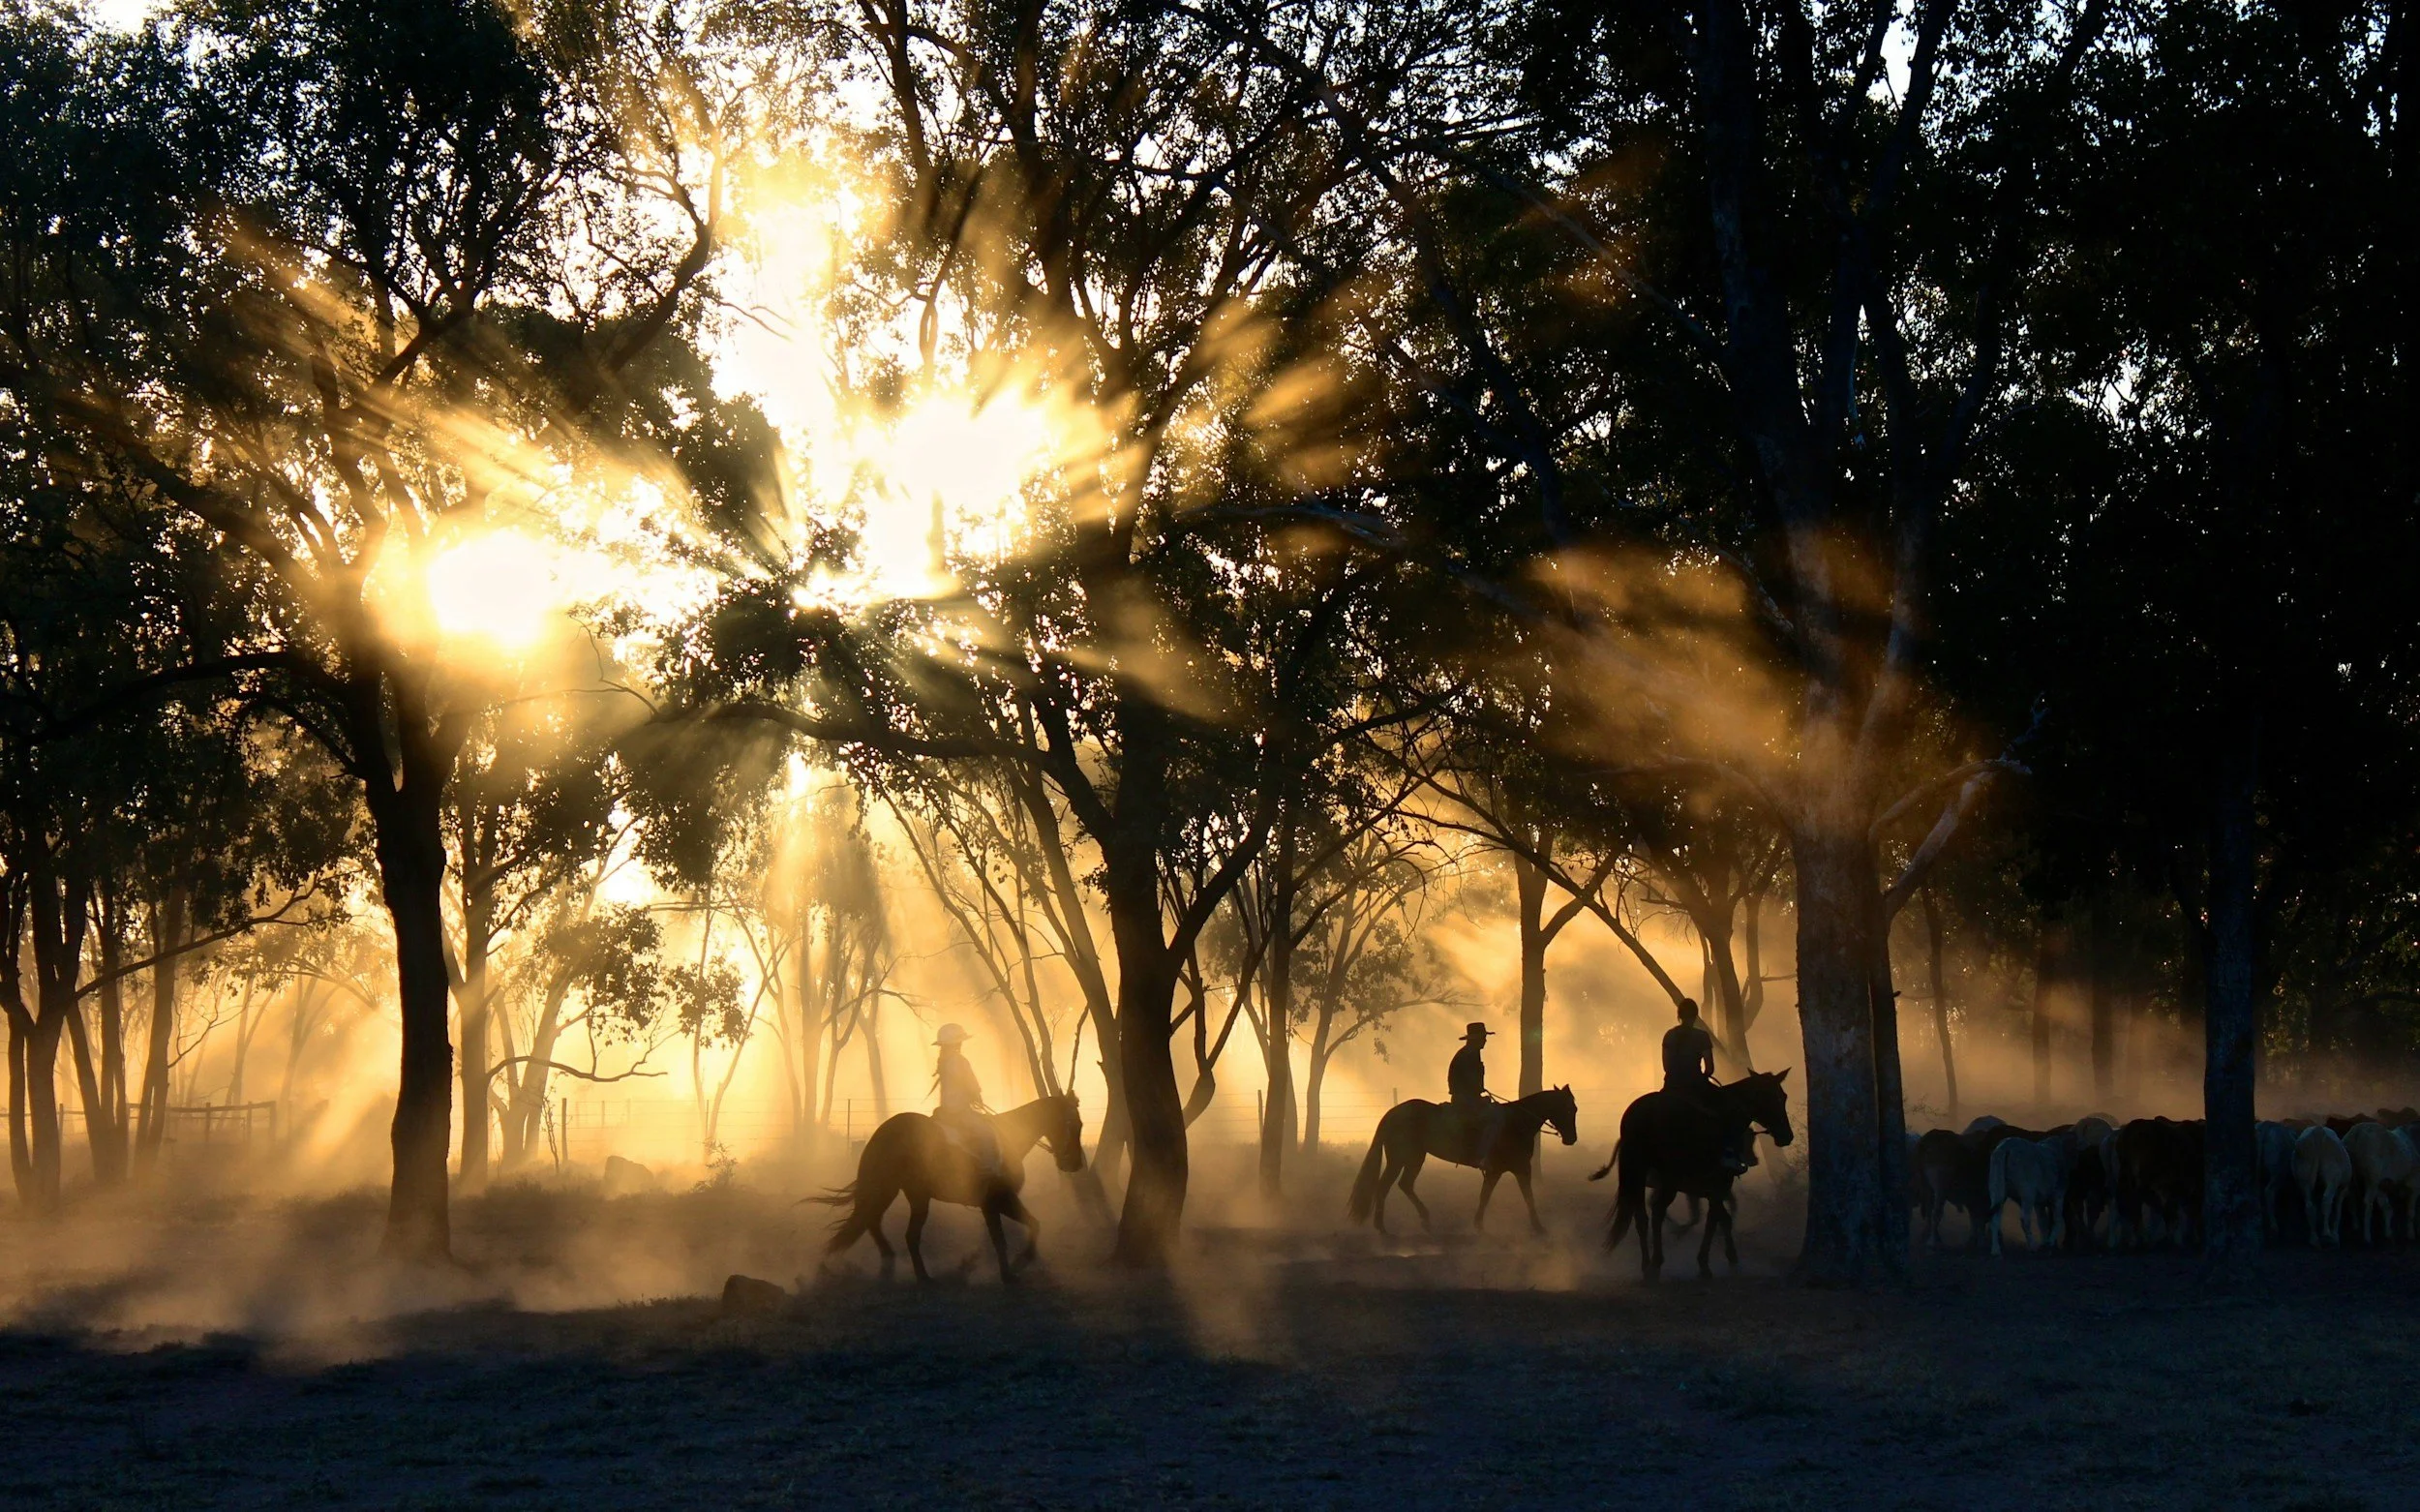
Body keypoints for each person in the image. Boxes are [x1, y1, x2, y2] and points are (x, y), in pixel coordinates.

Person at [1662, 998, 1748, 1172]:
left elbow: (1666, 1066)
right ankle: (1729, 1155)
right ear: (1695, 1016)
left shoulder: (1669, 1035)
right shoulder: (1701, 1037)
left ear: (1679, 1015)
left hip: (1671, 1086)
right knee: (1729, 1110)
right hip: (1696, 1085)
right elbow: (1709, 1068)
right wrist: (1702, 1075)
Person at [931, 1023, 1004, 1181]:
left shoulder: (943, 1060)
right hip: (959, 1110)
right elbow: (971, 1084)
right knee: (986, 1132)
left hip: (945, 1109)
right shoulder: (959, 1060)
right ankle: (987, 1167)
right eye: (960, 1041)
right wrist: (977, 1097)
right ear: (957, 1043)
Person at [1446, 1022, 1499, 1164]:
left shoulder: (1470, 1053)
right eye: (1483, 1037)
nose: (1485, 1040)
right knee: (1494, 1118)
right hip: (1464, 1099)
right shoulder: (1468, 1056)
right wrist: (1479, 1099)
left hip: (1468, 1097)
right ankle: (1481, 1156)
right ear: (1476, 1039)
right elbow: (1467, 1083)